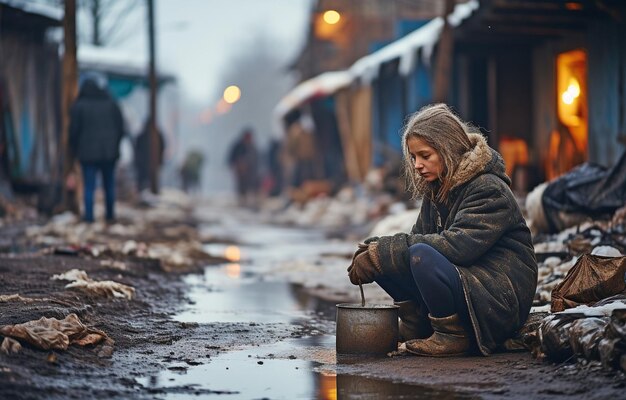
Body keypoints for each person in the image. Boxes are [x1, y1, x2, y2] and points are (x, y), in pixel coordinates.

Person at [347, 104, 537, 357]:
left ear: (448, 149)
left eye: (425, 156)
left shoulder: (489, 189)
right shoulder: (438, 189)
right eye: (414, 157)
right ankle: (418, 325)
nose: (417, 165)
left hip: (498, 299)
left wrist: (388, 252)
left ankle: (452, 335)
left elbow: (459, 247)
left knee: (417, 256)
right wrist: (377, 252)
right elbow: (416, 238)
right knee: (379, 251)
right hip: (468, 284)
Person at [69, 78, 125, 223]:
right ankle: (110, 215)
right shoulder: (112, 104)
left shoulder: (79, 106)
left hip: (87, 154)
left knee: (89, 186)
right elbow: (121, 128)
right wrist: (115, 145)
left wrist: (74, 150)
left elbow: (74, 131)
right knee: (109, 185)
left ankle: (89, 217)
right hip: (109, 153)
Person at [227, 128, 259, 206]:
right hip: (239, 172)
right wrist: (237, 166)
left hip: (250, 172)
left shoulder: (252, 146)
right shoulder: (238, 146)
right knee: (241, 187)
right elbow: (231, 158)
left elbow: (256, 160)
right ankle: (242, 201)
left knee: (250, 186)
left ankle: (249, 201)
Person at [134, 120, 165, 192]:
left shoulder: (142, 136)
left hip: (144, 165)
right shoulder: (158, 136)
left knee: (145, 184)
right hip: (145, 165)